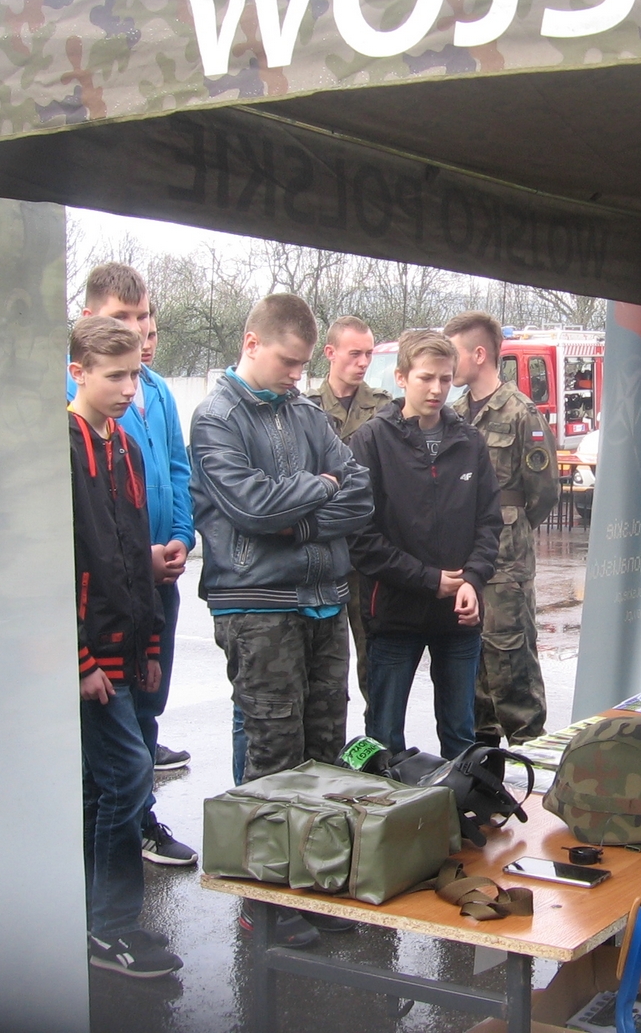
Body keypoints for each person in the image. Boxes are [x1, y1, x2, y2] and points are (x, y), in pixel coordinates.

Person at [190, 293, 373, 946]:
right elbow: (251, 507)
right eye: (288, 363)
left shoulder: (307, 413)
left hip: (324, 598)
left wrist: (300, 516)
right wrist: (319, 488)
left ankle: (316, 885)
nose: (298, 376)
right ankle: (263, 898)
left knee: (325, 749)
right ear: (252, 343)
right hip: (257, 604)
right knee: (274, 752)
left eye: (303, 365)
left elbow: (362, 496)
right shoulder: (216, 418)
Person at [69, 265, 197, 868]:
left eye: (144, 316)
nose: (140, 330)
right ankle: (105, 892)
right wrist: (80, 657)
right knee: (116, 761)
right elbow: (76, 551)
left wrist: (179, 539)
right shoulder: (69, 430)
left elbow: (175, 469)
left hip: (146, 597)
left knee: (140, 726)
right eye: (124, 318)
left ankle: (131, 830)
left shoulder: (148, 405)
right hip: (97, 616)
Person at [67, 316, 182, 979]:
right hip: (87, 654)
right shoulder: (61, 445)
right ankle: (109, 927)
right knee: (129, 776)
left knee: (102, 785)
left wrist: (150, 645)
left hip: (127, 645)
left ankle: (90, 919)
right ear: (78, 372)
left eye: (135, 374)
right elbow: (62, 562)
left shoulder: (127, 448)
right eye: (114, 376)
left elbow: (135, 555)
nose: (129, 389)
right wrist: (80, 660)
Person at [347, 330, 502, 759]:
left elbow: (489, 522)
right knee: (383, 738)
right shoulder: (370, 441)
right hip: (395, 613)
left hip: (458, 616)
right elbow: (361, 537)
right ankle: (385, 800)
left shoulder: (469, 442)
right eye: (426, 378)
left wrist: (472, 579)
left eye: (446, 379)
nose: (437, 389)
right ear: (401, 378)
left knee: (460, 735)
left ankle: (461, 799)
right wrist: (427, 579)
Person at [444, 311, 558, 746]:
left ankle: (531, 751)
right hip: (463, 557)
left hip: (506, 561)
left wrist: (511, 527)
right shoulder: (454, 414)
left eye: (453, 353)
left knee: (511, 658)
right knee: (471, 664)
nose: (447, 364)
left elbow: (543, 492)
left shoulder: (520, 412)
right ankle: (482, 760)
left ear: (479, 354)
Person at [308, 315, 392, 710]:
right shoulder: (305, 408)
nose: (363, 362)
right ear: (330, 353)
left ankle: (380, 736)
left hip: (369, 551)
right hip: (321, 549)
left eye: (369, 354)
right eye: (354, 353)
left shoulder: (385, 408)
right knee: (323, 666)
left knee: (375, 659)